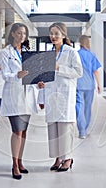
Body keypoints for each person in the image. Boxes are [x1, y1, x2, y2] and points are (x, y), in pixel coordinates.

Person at [37, 22, 83, 172]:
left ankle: (68, 158)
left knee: (64, 128)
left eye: (56, 33)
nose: (53, 36)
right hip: (51, 95)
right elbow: (45, 75)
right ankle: (58, 158)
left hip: (65, 94)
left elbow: (78, 72)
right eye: (51, 33)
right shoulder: (48, 53)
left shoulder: (71, 52)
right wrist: (42, 94)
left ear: (63, 35)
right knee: (53, 129)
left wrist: (59, 68)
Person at [0, 23, 34, 180]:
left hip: (26, 96)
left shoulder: (27, 52)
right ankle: (14, 164)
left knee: (24, 132)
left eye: (24, 34)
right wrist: (16, 75)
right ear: (12, 34)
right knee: (17, 131)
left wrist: (38, 82)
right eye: (19, 33)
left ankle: (20, 161)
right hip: (14, 96)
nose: (22, 36)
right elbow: (5, 75)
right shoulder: (5, 52)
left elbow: (32, 73)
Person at [76, 35, 102, 139]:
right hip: (89, 85)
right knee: (87, 108)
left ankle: (81, 131)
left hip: (78, 84)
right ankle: (85, 128)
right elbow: (95, 71)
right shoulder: (92, 55)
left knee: (79, 107)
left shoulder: (76, 54)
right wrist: (99, 84)